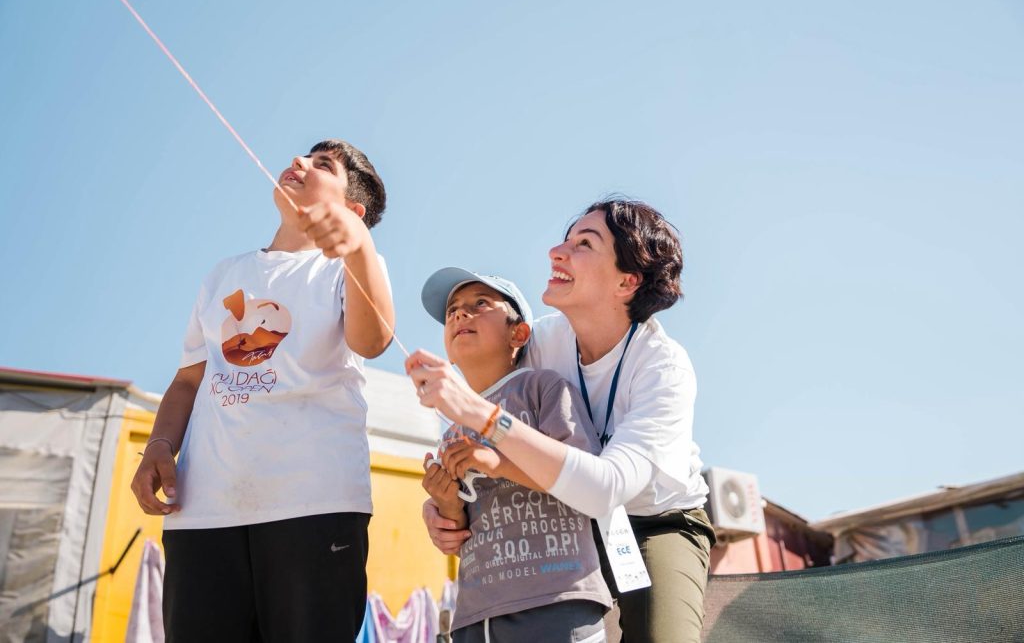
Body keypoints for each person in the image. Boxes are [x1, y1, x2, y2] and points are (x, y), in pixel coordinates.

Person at [411, 198, 715, 643]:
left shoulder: (663, 368)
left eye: (584, 244)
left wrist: (481, 414)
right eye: (566, 239)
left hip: (655, 520)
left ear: (627, 281)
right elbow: (482, 444)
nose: (557, 251)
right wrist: (442, 508)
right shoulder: (538, 343)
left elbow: (604, 489)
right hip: (563, 520)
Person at [130, 139, 394, 642]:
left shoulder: (352, 268)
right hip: (203, 512)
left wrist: (359, 246)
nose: (299, 163)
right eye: (302, 155)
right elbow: (189, 378)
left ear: (353, 211)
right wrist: (160, 446)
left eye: (323, 166)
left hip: (315, 508)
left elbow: (373, 339)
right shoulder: (223, 276)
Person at [419, 268, 611, 643]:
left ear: (518, 333)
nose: (460, 314)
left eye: (480, 304)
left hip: (558, 602)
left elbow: (584, 482)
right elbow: (459, 533)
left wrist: (495, 462)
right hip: (475, 616)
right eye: (452, 311)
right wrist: (445, 501)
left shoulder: (544, 388)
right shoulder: (450, 430)